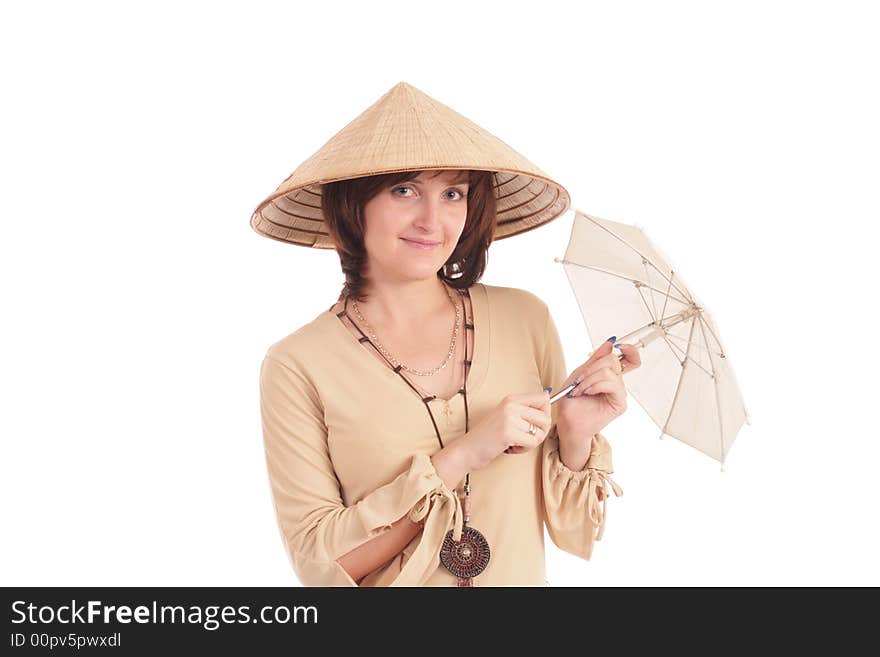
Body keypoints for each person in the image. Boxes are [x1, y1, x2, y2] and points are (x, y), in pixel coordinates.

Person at [252, 82, 639, 586]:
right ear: (353, 205)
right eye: (404, 190)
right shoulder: (298, 363)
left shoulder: (525, 318)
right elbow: (322, 566)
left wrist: (575, 433)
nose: (432, 220)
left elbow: (571, 533)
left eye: (453, 193)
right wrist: (464, 454)